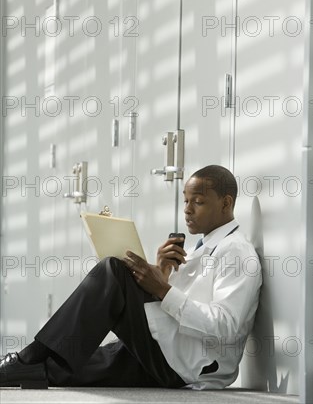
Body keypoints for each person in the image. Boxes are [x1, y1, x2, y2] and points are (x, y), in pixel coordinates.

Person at [0, 165, 262, 390]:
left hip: (187, 364)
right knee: (65, 368)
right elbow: (181, 302)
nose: (188, 210)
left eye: (198, 202)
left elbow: (227, 326)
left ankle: (26, 357)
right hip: (168, 349)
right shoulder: (201, 247)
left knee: (113, 270)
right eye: (185, 201)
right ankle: (23, 367)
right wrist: (162, 272)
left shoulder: (235, 251)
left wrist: (162, 289)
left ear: (226, 203)